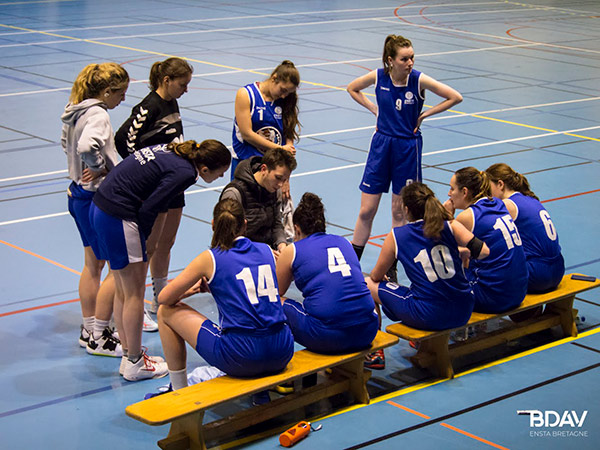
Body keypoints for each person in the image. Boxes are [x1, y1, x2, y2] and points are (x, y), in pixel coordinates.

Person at [90, 140, 231, 381]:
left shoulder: (173, 149)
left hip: (101, 208)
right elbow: (150, 209)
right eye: (221, 172)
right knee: (133, 292)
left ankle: (129, 357)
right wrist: (143, 243)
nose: (222, 177)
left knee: (124, 291)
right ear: (205, 168)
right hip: (119, 216)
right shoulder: (186, 173)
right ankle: (134, 361)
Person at [347, 34, 463, 282]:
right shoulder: (378, 76)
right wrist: (373, 108)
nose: (410, 62)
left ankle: (392, 265)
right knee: (367, 210)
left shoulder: (418, 79)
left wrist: (425, 115)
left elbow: (455, 96)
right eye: (404, 58)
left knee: (399, 212)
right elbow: (352, 88)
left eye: (412, 57)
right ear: (391, 60)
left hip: (407, 149)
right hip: (381, 145)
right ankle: (352, 263)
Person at [157, 198, 294, 394]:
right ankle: (259, 395)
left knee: (165, 312)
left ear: (213, 225)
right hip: (282, 349)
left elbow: (163, 298)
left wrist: (192, 290)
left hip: (242, 355)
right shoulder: (266, 250)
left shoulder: (210, 257)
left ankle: (179, 392)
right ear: (244, 225)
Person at [365, 182, 489, 368]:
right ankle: (425, 343)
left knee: (367, 285)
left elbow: (376, 276)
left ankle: (374, 353)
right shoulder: (450, 225)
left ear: (407, 210)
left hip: (430, 314)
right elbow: (484, 252)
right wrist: (462, 252)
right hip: (464, 308)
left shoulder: (398, 235)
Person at [115, 57, 194, 326]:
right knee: (148, 247)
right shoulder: (148, 107)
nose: (185, 90)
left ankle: (160, 297)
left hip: (175, 182)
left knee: (167, 243)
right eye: (182, 85)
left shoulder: (173, 102)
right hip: (157, 185)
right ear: (166, 81)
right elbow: (123, 140)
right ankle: (135, 302)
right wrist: (142, 173)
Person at [61, 62, 129, 357]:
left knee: (92, 265)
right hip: (95, 198)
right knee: (117, 268)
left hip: (77, 194)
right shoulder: (98, 113)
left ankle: (89, 328)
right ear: (106, 92)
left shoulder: (73, 108)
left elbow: (67, 143)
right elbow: (88, 145)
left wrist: (81, 169)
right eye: (121, 93)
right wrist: (99, 167)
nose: (123, 100)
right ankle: (99, 335)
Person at [276, 192, 379, 355]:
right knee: (363, 286)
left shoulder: (293, 250)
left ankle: (277, 357)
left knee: (275, 301)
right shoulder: (344, 242)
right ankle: (374, 355)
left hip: (327, 337)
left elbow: (277, 291)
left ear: (297, 229)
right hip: (368, 331)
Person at [445, 167, 528, 313]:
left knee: (444, 284)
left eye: (452, 189)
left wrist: (448, 218)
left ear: (464, 192)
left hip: (495, 297)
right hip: (519, 291)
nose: (449, 194)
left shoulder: (467, 217)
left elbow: (445, 252)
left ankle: (461, 331)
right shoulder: (499, 204)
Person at [486, 163, 564, 293]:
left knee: (487, 269)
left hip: (537, 273)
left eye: (489, 188)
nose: (488, 194)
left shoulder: (507, 205)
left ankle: (528, 313)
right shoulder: (531, 199)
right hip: (558, 268)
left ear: (500, 184)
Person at [220, 147, 297, 256]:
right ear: (264, 169)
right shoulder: (234, 193)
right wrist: (262, 252)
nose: (280, 184)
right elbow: (226, 237)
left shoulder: (276, 191)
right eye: (278, 178)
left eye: (285, 180)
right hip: (241, 253)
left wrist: (282, 246)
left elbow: (276, 224)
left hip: (266, 250)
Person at [231, 60, 300, 176]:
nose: (284, 96)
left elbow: (288, 133)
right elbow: (247, 134)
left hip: (274, 167)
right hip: (245, 163)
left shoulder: (286, 100)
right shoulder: (246, 94)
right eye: (283, 90)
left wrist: (286, 177)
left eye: (288, 93)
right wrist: (280, 149)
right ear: (274, 78)